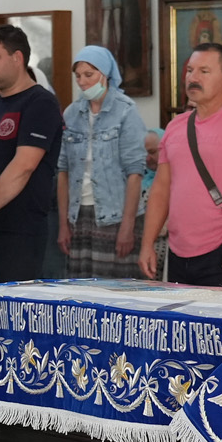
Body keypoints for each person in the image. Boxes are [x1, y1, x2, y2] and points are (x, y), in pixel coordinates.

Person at [142, 42, 222, 288]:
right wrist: (147, 243)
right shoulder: (175, 127)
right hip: (179, 252)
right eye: (190, 70)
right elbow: (161, 189)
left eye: (204, 71)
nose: (193, 78)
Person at [0, 24, 63, 284]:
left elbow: (24, 166)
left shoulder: (40, 103)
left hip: (19, 233)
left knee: (12, 305)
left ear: (17, 58)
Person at [56, 44, 147, 280]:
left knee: (115, 288)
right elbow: (63, 171)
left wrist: (127, 226)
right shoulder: (71, 113)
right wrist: (63, 223)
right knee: (82, 288)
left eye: (89, 74)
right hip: (79, 214)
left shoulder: (126, 111)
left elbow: (135, 172)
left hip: (116, 214)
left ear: (105, 74)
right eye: (78, 76)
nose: (82, 82)